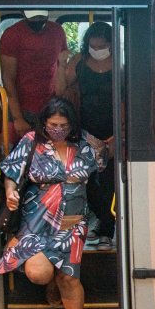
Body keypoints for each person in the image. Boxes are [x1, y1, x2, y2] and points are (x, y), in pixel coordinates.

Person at [0, 97, 107, 309]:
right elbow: (11, 172)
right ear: (44, 123)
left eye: (63, 125)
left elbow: (106, 158)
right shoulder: (32, 142)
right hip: (37, 219)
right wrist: (11, 192)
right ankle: (54, 280)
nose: (58, 129)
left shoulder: (85, 143)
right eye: (53, 124)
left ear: (72, 125)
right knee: (37, 273)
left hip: (72, 221)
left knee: (69, 279)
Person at [55, 22, 116, 250]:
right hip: (85, 129)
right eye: (93, 45)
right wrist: (61, 64)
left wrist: (117, 135)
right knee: (87, 180)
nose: (97, 49)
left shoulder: (120, 61)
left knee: (108, 180)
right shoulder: (80, 61)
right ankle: (102, 221)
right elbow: (61, 90)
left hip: (113, 130)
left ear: (110, 44)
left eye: (102, 46)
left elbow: (127, 98)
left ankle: (107, 230)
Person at [0, 10, 68, 143]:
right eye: (33, 17)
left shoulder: (57, 31)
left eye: (41, 17)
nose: (37, 20)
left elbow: (60, 67)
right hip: (23, 108)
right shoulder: (12, 34)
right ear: (23, 13)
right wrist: (18, 118)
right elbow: (8, 78)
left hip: (51, 106)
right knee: (23, 156)